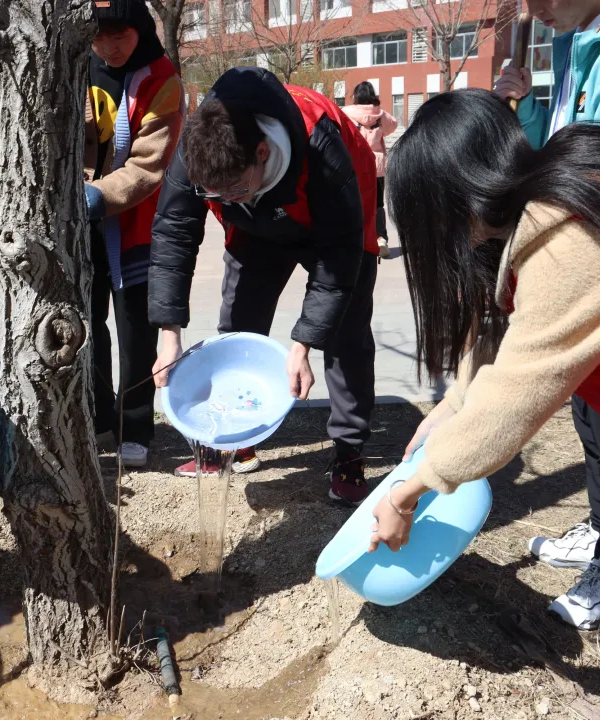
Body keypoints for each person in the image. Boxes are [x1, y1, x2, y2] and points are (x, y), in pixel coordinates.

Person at [372, 88, 600, 632]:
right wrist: (450, 409)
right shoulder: (555, 192)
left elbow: (515, 398)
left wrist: (407, 494)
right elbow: (500, 340)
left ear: (455, 202)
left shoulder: (567, 243)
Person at [493, 0, 600, 627]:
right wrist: (529, 110)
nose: (532, 9)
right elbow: (562, 150)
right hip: (591, 261)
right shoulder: (582, 43)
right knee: (591, 414)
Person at [148, 67, 379, 506]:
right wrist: (169, 334)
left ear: (261, 152)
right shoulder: (198, 146)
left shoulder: (321, 144)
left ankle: (349, 450)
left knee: (345, 332)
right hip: (257, 226)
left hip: (338, 215)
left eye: (232, 190)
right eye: (213, 195)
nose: (223, 200)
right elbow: (173, 234)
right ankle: (235, 437)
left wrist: (303, 343)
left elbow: (338, 258)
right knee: (238, 321)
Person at [83, 0, 184, 468]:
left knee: (135, 332)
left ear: (140, 29)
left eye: (119, 35)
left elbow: (149, 164)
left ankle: (137, 426)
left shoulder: (162, 79)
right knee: (85, 327)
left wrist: (94, 196)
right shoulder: (76, 68)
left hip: (137, 225)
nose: (109, 47)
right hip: (81, 229)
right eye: (99, 37)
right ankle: (99, 418)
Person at [342, 81, 398, 259]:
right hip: (377, 166)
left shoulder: (346, 113)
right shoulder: (380, 115)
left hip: (355, 165)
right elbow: (393, 125)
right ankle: (380, 239)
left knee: (354, 203)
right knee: (377, 204)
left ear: (356, 96)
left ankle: (356, 240)